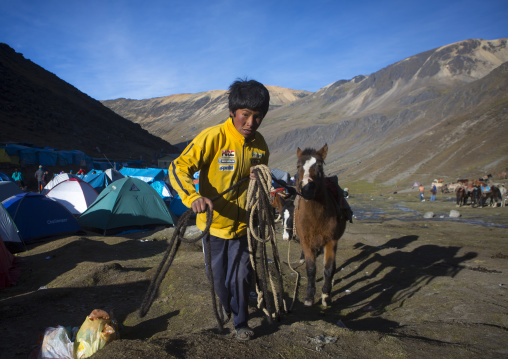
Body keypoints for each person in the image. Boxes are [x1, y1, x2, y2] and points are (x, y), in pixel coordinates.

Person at [168, 79, 270, 341]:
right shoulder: (213, 137)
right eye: (245, 115)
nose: (250, 123)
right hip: (213, 225)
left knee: (242, 275)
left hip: (244, 226)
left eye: (257, 117)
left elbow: (261, 180)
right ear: (232, 112)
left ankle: (241, 322)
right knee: (219, 281)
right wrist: (193, 196)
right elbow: (178, 167)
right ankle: (227, 305)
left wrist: (258, 188)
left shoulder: (261, 146)